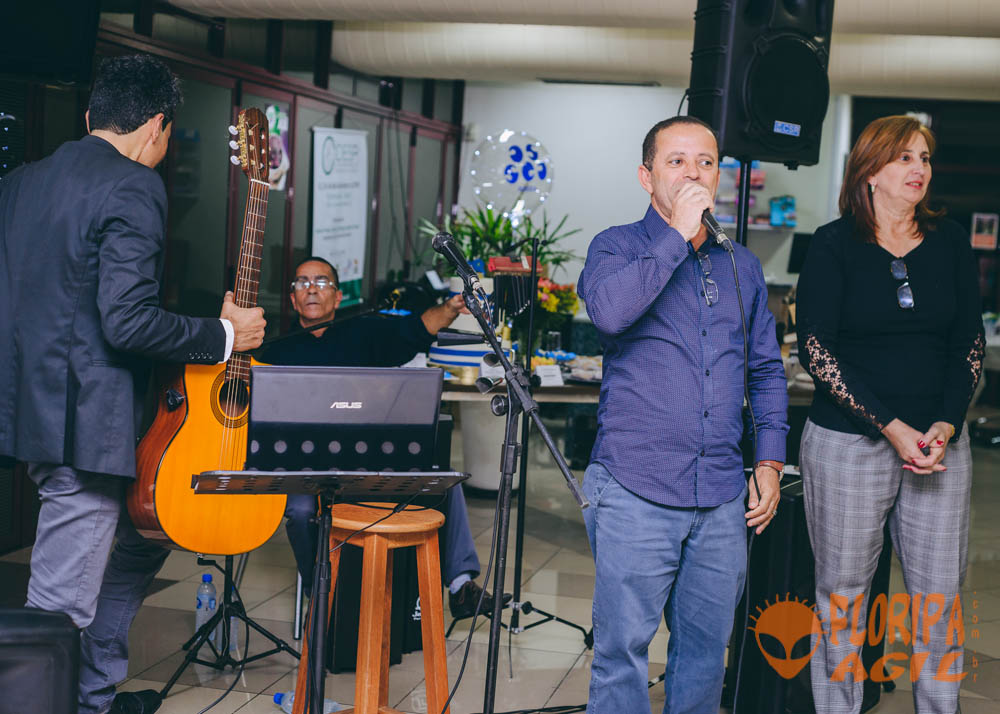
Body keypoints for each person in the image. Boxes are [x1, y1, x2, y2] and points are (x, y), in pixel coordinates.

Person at [0, 55, 266, 714]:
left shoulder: (21, 182)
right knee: (59, 607)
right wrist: (225, 335)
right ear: (157, 127)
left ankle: (92, 696)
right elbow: (126, 321)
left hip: (33, 412)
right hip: (86, 428)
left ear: (92, 115)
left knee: (136, 549)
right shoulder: (133, 185)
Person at [576, 115, 788, 713]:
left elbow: (765, 372)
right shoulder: (615, 246)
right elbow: (609, 314)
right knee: (621, 653)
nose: (694, 173)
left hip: (720, 494)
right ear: (647, 177)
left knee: (704, 655)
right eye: (677, 161)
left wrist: (769, 462)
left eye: (706, 162)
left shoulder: (742, 265)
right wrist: (677, 234)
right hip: (634, 486)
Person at [796, 115, 983, 713]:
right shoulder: (832, 243)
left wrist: (945, 424)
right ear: (870, 171)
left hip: (938, 447)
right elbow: (816, 350)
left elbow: (969, 343)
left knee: (939, 602)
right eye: (904, 157)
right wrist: (891, 427)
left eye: (924, 158)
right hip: (849, 443)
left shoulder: (950, 242)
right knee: (843, 599)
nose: (918, 169)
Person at [261, 256, 507, 618]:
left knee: (443, 477)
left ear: (338, 295)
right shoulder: (276, 349)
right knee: (299, 512)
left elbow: (419, 328)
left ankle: (460, 586)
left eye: (321, 282)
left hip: (367, 459)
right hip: (306, 467)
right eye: (302, 282)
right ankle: (322, 595)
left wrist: (452, 307)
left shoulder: (365, 332)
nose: (311, 289)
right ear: (293, 299)